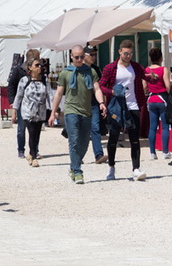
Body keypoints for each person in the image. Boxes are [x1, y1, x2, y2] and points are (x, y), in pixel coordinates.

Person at [49, 46, 107, 184]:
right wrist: (53, 112)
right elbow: (58, 93)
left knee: (84, 143)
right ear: (71, 56)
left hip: (87, 111)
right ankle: (77, 171)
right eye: (77, 57)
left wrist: (101, 103)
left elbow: (97, 89)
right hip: (71, 110)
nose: (80, 59)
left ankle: (73, 165)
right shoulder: (65, 73)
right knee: (74, 141)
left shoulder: (90, 71)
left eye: (82, 56)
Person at [100, 40, 150, 181]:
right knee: (113, 137)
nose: (128, 56)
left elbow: (145, 77)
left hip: (133, 105)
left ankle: (136, 168)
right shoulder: (110, 68)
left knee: (135, 138)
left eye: (130, 54)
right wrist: (111, 92)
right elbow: (102, 85)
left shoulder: (136, 67)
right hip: (116, 107)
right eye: (126, 53)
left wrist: (153, 78)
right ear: (120, 52)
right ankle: (111, 167)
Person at [11, 58, 51, 168]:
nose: (40, 67)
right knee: (32, 133)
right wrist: (14, 111)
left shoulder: (44, 80)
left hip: (41, 112)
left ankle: (30, 153)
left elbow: (49, 95)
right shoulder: (24, 80)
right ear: (30, 67)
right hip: (28, 112)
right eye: (37, 65)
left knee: (37, 134)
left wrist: (53, 111)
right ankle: (33, 157)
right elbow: (18, 96)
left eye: (40, 65)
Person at [6, 48, 40, 159]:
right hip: (22, 103)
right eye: (37, 58)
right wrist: (12, 101)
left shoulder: (39, 71)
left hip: (35, 103)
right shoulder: (18, 70)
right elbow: (11, 85)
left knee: (35, 129)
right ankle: (21, 149)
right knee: (21, 128)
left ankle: (34, 150)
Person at [144, 48, 172, 160]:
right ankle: (165, 151)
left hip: (151, 99)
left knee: (152, 127)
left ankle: (152, 152)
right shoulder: (163, 69)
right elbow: (168, 86)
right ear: (161, 58)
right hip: (162, 99)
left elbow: (144, 87)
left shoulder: (146, 70)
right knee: (165, 126)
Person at [82, 46, 107, 164]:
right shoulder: (77, 68)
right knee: (81, 130)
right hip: (81, 103)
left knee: (95, 128)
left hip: (94, 102)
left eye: (95, 55)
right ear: (84, 55)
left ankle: (99, 155)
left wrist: (102, 102)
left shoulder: (96, 69)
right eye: (91, 55)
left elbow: (99, 88)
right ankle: (78, 156)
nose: (93, 57)